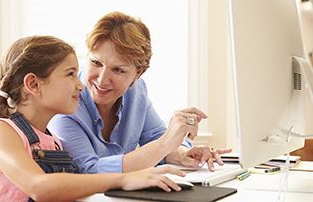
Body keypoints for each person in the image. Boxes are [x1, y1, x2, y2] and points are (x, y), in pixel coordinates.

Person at [0, 36, 187, 202]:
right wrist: (124, 179)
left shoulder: (52, 141)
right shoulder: (1, 132)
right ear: (34, 84)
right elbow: (40, 187)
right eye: (70, 74)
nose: (80, 85)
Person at [48, 11, 232, 174]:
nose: (102, 79)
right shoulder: (64, 101)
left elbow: (156, 138)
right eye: (96, 63)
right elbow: (89, 171)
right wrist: (165, 143)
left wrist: (183, 154)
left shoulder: (136, 91)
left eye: (118, 70)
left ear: (138, 73)